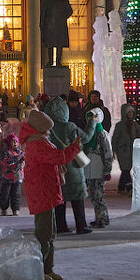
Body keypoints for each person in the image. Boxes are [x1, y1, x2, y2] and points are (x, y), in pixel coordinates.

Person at [20, 109, 81, 280]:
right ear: (40, 129)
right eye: (47, 129)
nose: (49, 132)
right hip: (42, 191)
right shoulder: (37, 144)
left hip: (46, 190)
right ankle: (39, 270)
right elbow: (58, 157)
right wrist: (75, 148)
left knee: (49, 233)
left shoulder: (39, 141)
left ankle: (48, 269)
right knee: (43, 234)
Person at [44, 96, 92, 235]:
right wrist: (92, 123)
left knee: (60, 197)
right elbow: (86, 137)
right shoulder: (69, 126)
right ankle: (81, 225)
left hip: (57, 166)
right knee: (77, 198)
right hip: (72, 166)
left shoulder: (47, 128)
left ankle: (61, 225)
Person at [83, 108, 114, 228]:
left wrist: (107, 169)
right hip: (90, 167)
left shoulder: (101, 133)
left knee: (99, 195)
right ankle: (100, 217)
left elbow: (107, 152)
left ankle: (102, 218)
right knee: (94, 195)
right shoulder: (89, 132)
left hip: (98, 167)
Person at [40, 0, 73, 67]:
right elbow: (43, 12)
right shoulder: (48, 0)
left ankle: (57, 61)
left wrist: (62, 17)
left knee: (59, 44)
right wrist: (42, 23)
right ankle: (51, 61)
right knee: (51, 44)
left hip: (59, 26)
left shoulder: (63, 0)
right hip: (51, 26)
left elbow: (70, 11)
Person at [112, 103, 139, 194]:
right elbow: (115, 137)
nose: (131, 114)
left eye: (132, 112)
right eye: (129, 112)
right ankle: (129, 186)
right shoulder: (120, 125)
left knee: (126, 169)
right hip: (122, 150)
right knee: (125, 168)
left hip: (131, 150)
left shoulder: (134, 124)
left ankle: (121, 186)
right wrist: (113, 149)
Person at [0, 133, 24, 216]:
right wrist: (16, 159)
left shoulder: (20, 152)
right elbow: (5, 162)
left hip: (17, 177)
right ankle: (4, 208)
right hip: (7, 177)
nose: (15, 143)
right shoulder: (6, 152)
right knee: (5, 194)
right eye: (13, 141)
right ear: (9, 143)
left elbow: (24, 161)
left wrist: (23, 160)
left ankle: (16, 209)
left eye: (16, 141)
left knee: (16, 194)